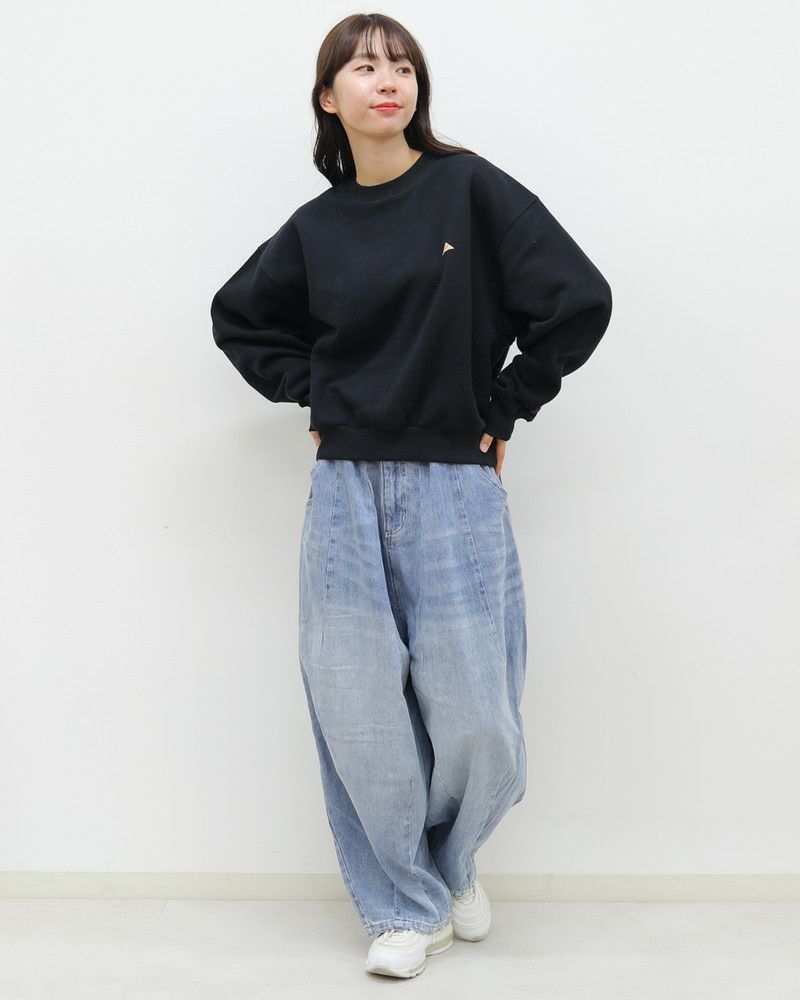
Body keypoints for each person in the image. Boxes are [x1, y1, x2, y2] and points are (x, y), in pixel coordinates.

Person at [210, 12, 612, 980]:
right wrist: (317, 393)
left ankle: (450, 863)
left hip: (454, 486)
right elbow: (238, 318)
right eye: (361, 68)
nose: (385, 80)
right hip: (344, 488)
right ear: (328, 98)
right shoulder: (316, 229)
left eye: (400, 66)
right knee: (356, 703)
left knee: (477, 712)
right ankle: (401, 904)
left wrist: (503, 407)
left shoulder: (467, 190)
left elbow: (578, 297)